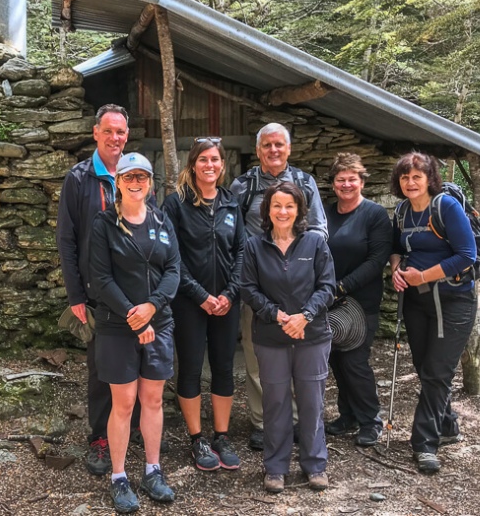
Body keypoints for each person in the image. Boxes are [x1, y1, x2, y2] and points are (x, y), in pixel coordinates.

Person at [57, 104, 153, 476]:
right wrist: (76, 295)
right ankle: (100, 436)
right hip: (98, 296)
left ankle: (138, 431)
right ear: (95, 133)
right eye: (109, 131)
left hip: (139, 295)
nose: (115, 138)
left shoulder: (138, 174)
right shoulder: (79, 179)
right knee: (102, 369)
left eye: (121, 132)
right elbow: (66, 240)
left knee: (142, 364)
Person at [89, 153, 180, 512]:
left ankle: (153, 471)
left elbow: (173, 269)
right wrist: (133, 315)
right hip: (117, 325)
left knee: (153, 400)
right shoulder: (104, 223)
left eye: (142, 176)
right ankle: (119, 476)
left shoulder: (162, 219)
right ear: (119, 183)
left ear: (150, 183)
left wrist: (153, 307)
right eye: (129, 176)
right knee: (124, 403)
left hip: (158, 322)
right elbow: (101, 277)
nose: (136, 182)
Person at [230, 122, 328, 450]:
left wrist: (303, 262)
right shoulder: (243, 185)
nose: (273, 150)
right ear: (258, 151)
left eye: (279, 145)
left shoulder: (304, 182)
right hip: (258, 284)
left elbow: (319, 230)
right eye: (267, 145)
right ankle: (263, 421)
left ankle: (298, 421)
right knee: (258, 357)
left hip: (300, 284)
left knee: (301, 354)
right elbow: (232, 233)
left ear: (289, 149)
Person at [241, 181, 336, 493]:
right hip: (271, 335)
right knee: (276, 402)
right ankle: (276, 468)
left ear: (300, 210)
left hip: (312, 335)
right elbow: (248, 289)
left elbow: (327, 286)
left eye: (289, 206)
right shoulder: (255, 246)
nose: (283, 211)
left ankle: (315, 465)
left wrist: (304, 316)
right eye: (276, 205)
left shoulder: (316, 243)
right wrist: (277, 314)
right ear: (267, 210)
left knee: (311, 402)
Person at [390, 152, 477, 474]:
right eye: (404, 177)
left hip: (453, 300)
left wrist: (422, 277)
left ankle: (424, 443)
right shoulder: (401, 211)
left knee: (437, 372)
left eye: (416, 176)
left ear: (429, 178)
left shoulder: (445, 207)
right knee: (426, 366)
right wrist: (397, 269)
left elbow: (467, 254)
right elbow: (397, 247)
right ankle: (449, 426)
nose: (410, 183)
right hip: (417, 301)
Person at [162, 137, 244, 471]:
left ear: (222, 165)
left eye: (215, 160)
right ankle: (197, 438)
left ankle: (221, 435)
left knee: (224, 367)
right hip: (189, 302)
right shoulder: (176, 203)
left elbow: (241, 251)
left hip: (227, 301)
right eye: (203, 160)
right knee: (192, 368)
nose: (209, 165)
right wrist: (201, 296)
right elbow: (172, 258)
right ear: (192, 164)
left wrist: (230, 293)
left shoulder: (231, 202)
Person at [324, 153, 392, 446]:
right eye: (341, 179)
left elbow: (377, 260)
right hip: (327, 301)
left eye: (352, 178)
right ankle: (347, 415)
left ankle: (370, 420)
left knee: (354, 362)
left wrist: (342, 286)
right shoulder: (325, 213)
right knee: (336, 360)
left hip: (359, 301)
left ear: (362, 181)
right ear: (333, 184)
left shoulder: (374, 215)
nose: (347, 184)